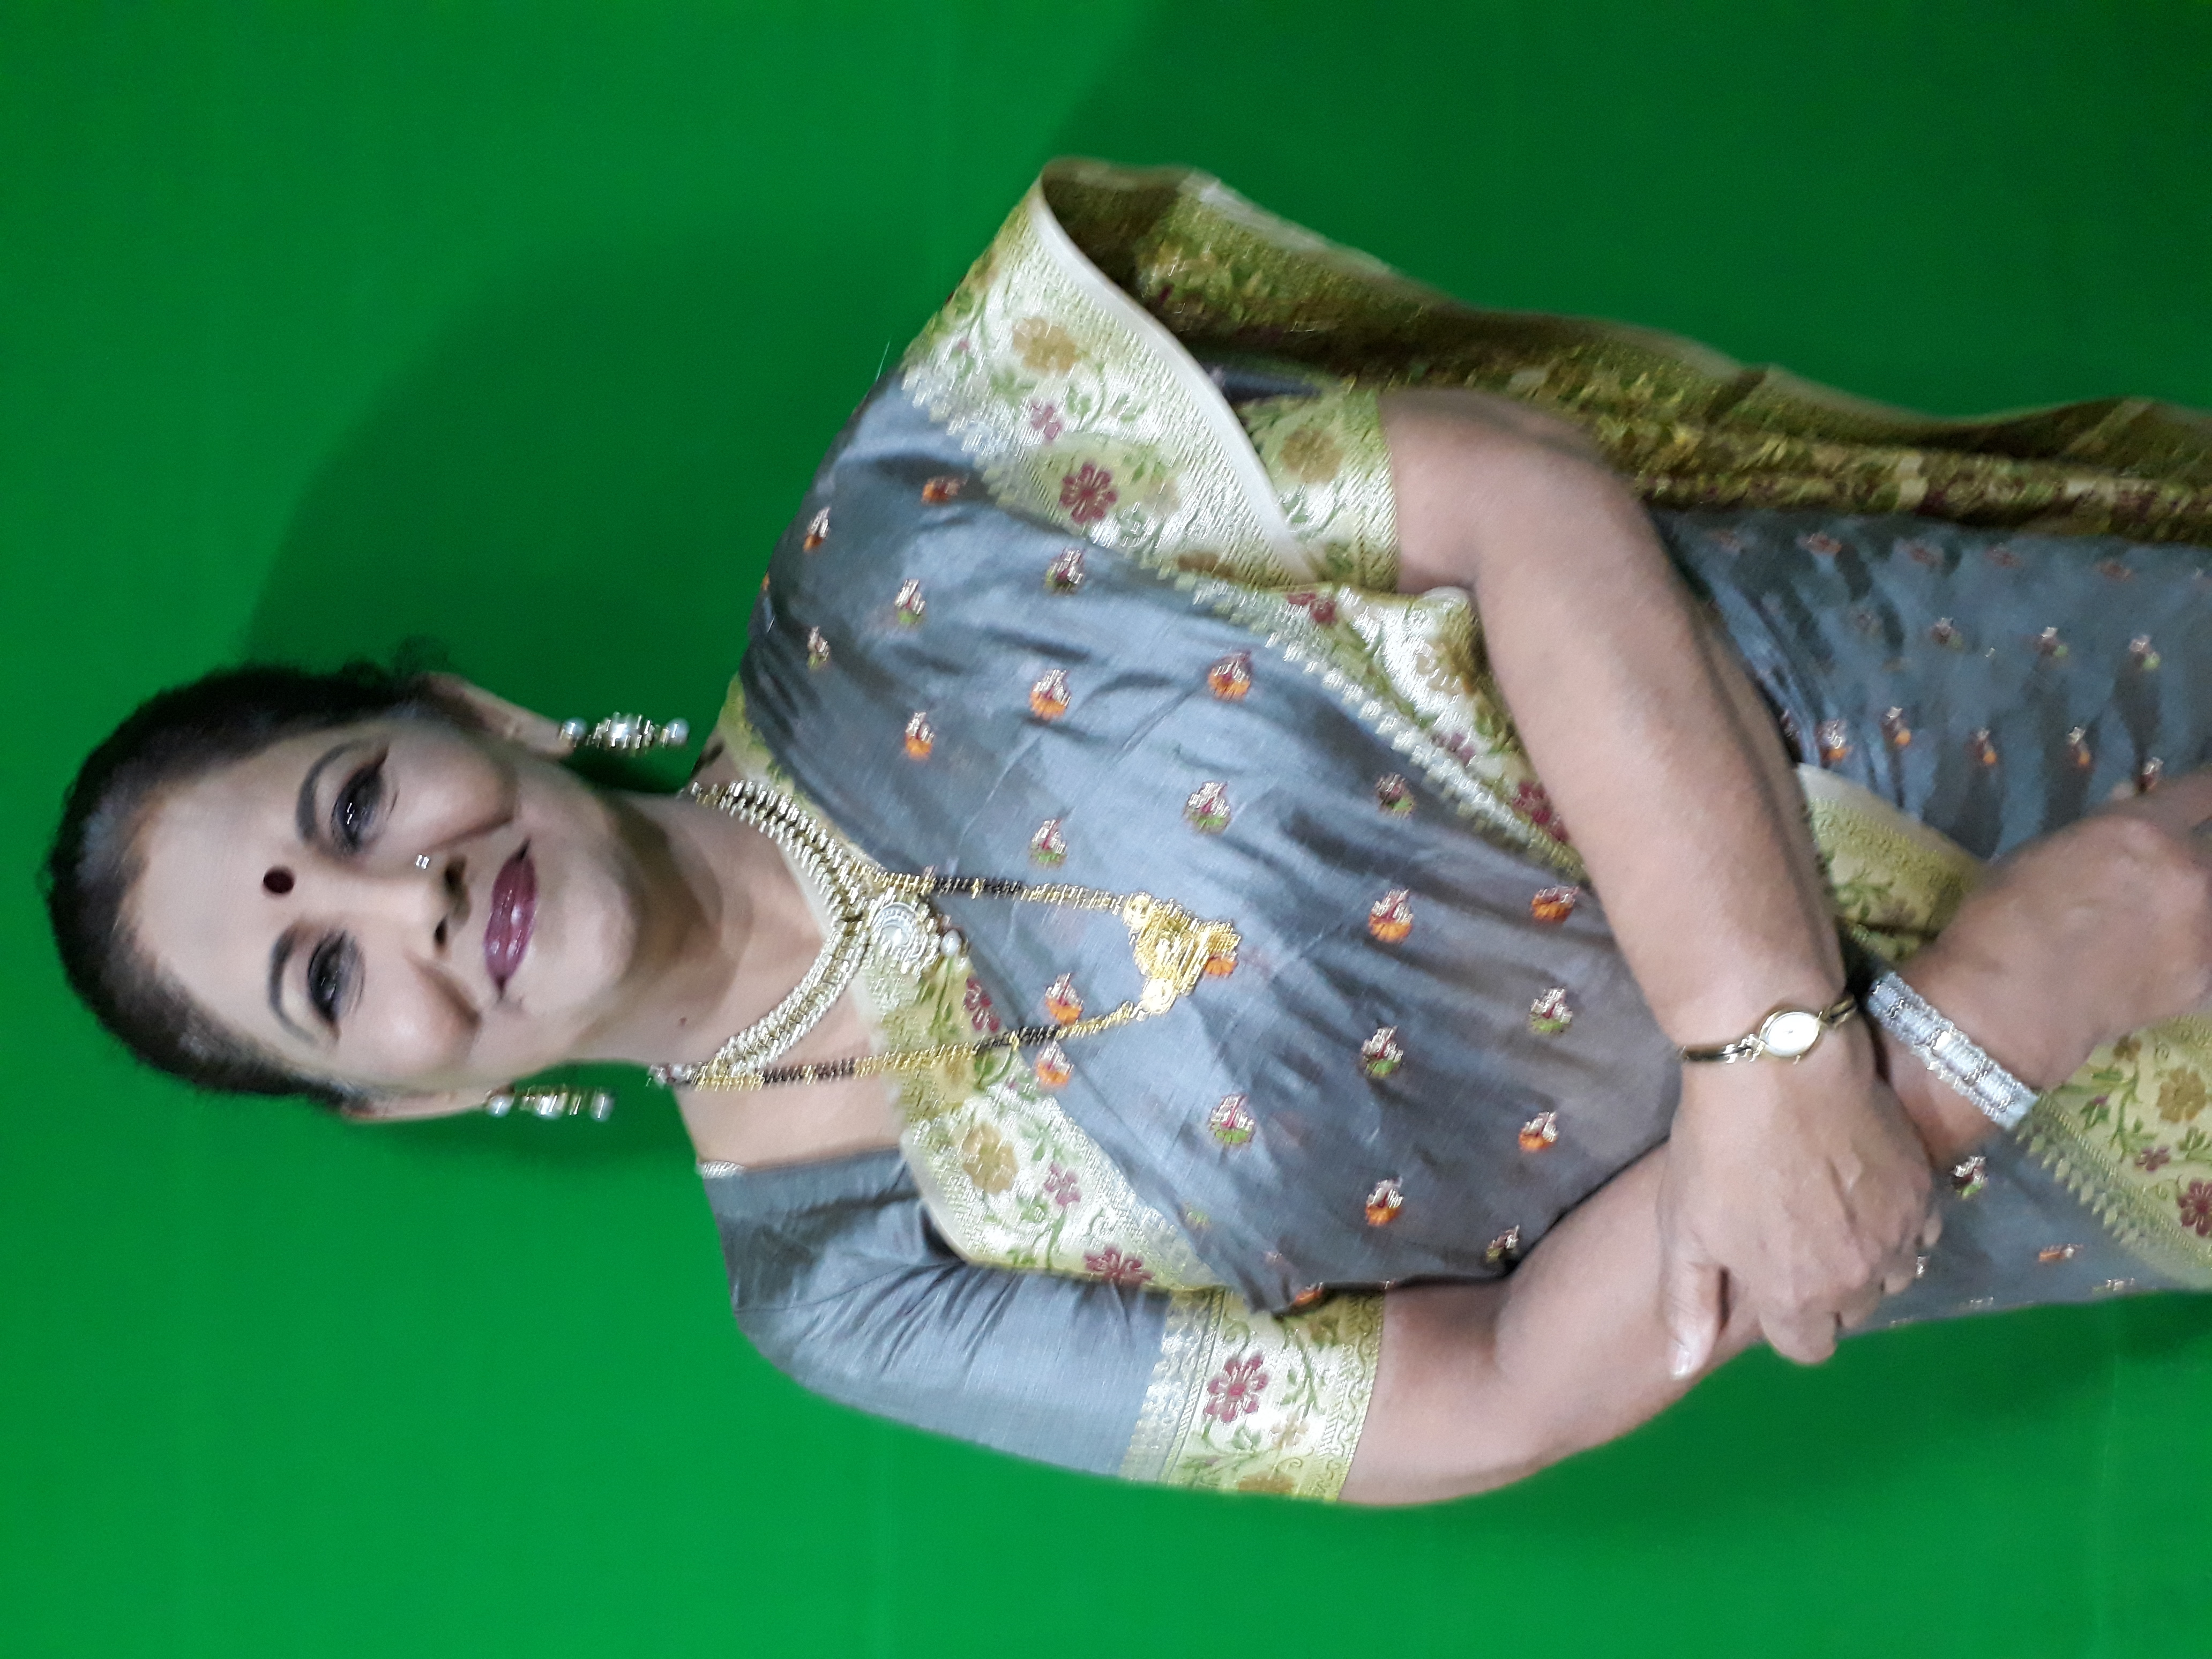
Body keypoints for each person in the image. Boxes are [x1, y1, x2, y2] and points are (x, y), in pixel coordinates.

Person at [44, 161, 2212, 1506]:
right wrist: (1980, 1035)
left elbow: (1511, 499)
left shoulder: (897, 538)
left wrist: (1770, 1036)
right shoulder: (845, 1290)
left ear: (475, 721)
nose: (408, 896)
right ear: (408, 1100)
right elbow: (1467, 1398)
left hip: (1980, 696)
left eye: (355, 804)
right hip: (2025, 1137)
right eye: (325, 971)